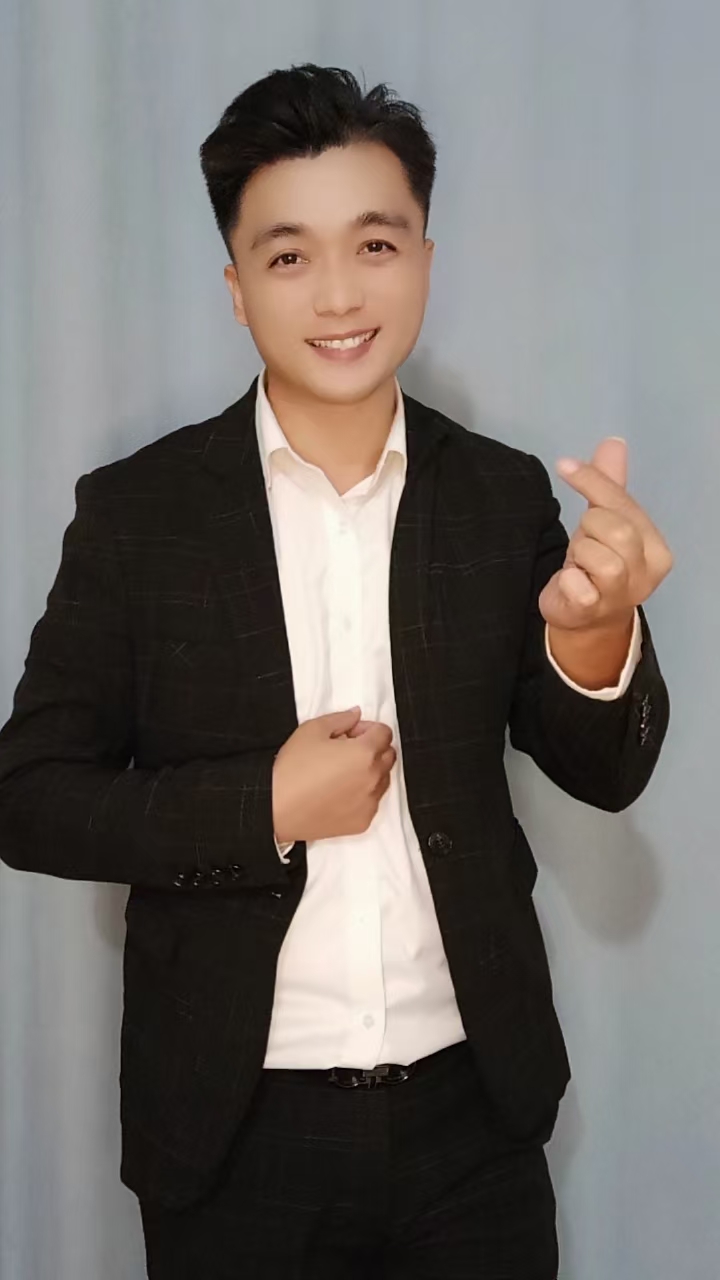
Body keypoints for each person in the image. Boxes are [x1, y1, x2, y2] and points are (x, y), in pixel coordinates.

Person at [0, 63, 672, 1279]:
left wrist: (594, 636)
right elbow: (30, 794)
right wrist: (260, 803)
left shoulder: (500, 493)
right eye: (288, 255)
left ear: (425, 257)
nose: (341, 292)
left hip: (475, 1123)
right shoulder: (140, 513)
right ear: (236, 287)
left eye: (375, 242)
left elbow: (604, 771)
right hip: (233, 1129)